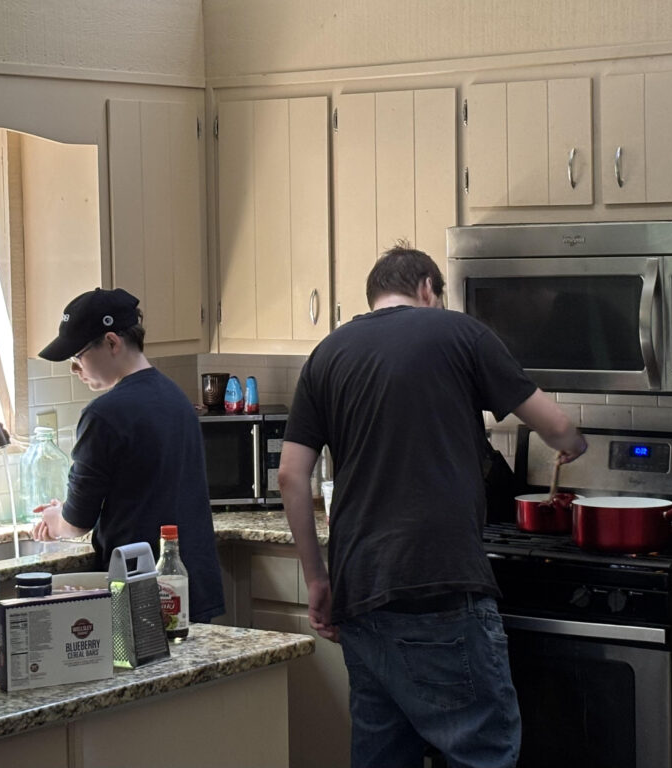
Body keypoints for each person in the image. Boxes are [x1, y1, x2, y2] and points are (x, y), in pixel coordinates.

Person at [277, 245, 588, 768]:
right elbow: (555, 426)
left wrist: (318, 580)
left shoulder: (327, 354)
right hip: (439, 582)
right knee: (481, 752)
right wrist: (573, 446)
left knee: (383, 755)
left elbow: (290, 475)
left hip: (362, 588)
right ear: (427, 288)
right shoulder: (461, 333)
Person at [31, 287, 224, 623]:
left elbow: (77, 523)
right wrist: (65, 511)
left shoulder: (103, 414)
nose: (75, 370)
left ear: (112, 343)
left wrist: (55, 521)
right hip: (189, 581)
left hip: (141, 588)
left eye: (77, 357)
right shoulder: (176, 398)